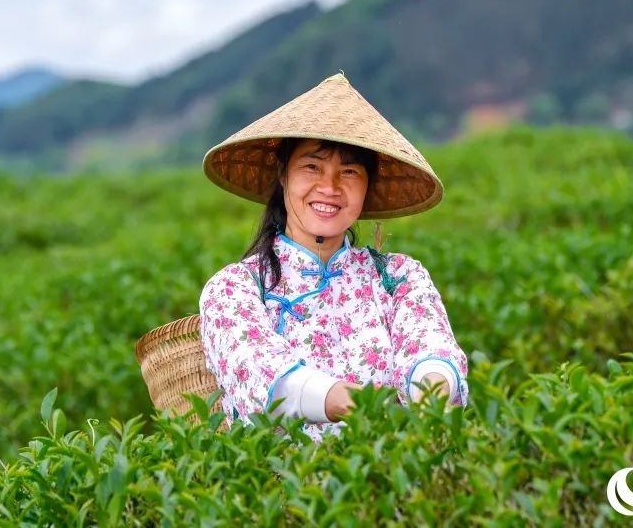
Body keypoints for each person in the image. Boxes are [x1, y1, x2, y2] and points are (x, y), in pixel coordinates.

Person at [198, 73, 469, 442]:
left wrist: (430, 395)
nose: (330, 187)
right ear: (283, 174)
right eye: (312, 166)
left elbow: (431, 349)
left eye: (350, 171)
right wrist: (370, 407)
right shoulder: (234, 289)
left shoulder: (399, 277)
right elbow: (265, 380)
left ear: (367, 185)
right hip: (284, 489)